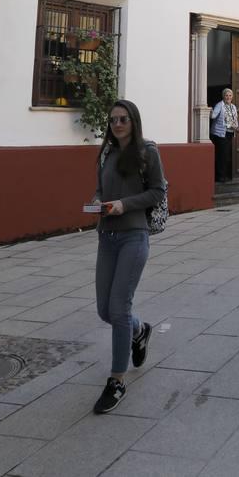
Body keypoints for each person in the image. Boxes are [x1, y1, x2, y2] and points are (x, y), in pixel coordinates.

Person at [90, 99, 167, 414]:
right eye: (112, 120)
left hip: (134, 236)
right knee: (105, 311)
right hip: (106, 237)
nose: (117, 124)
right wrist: (98, 201)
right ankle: (140, 330)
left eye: (123, 119)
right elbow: (99, 189)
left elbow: (158, 192)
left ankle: (117, 380)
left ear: (134, 122)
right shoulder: (106, 153)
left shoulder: (147, 152)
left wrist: (125, 205)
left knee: (119, 309)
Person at [210, 87, 238, 183]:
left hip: (230, 133)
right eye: (226, 95)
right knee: (222, 155)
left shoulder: (233, 107)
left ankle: (224, 175)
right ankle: (220, 176)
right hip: (220, 134)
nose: (228, 97)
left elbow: (235, 119)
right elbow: (213, 116)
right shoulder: (219, 105)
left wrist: (236, 127)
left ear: (232, 97)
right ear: (223, 96)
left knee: (226, 155)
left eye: (230, 95)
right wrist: (209, 110)